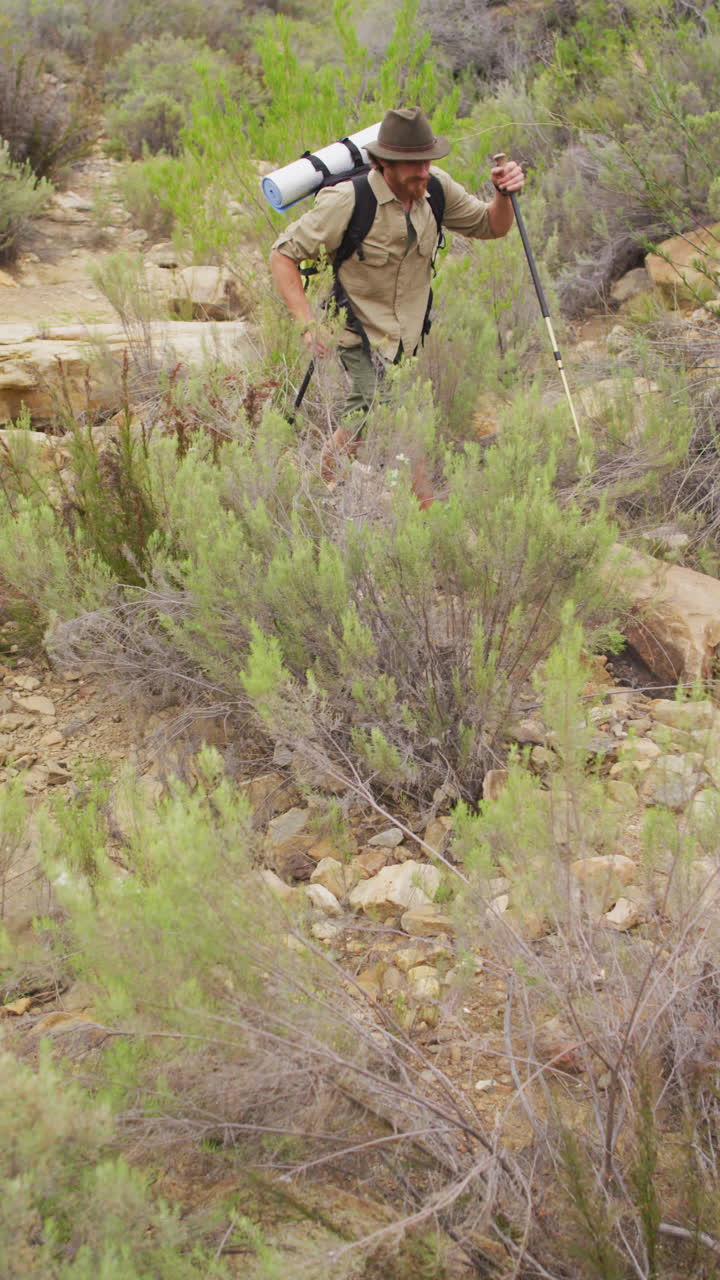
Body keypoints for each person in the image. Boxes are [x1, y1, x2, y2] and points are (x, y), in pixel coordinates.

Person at [269, 106, 525, 506]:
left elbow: (492, 226)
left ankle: (314, 494)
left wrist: (503, 196)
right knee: (389, 415)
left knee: (364, 418)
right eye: (411, 166)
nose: (421, 173)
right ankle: (423, 512)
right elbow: (283, 255)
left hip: (406, 337)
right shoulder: (347, 201)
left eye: (426, 162)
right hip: (358, 332)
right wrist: (307, 323)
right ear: (382, 164)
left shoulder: (435, 188)